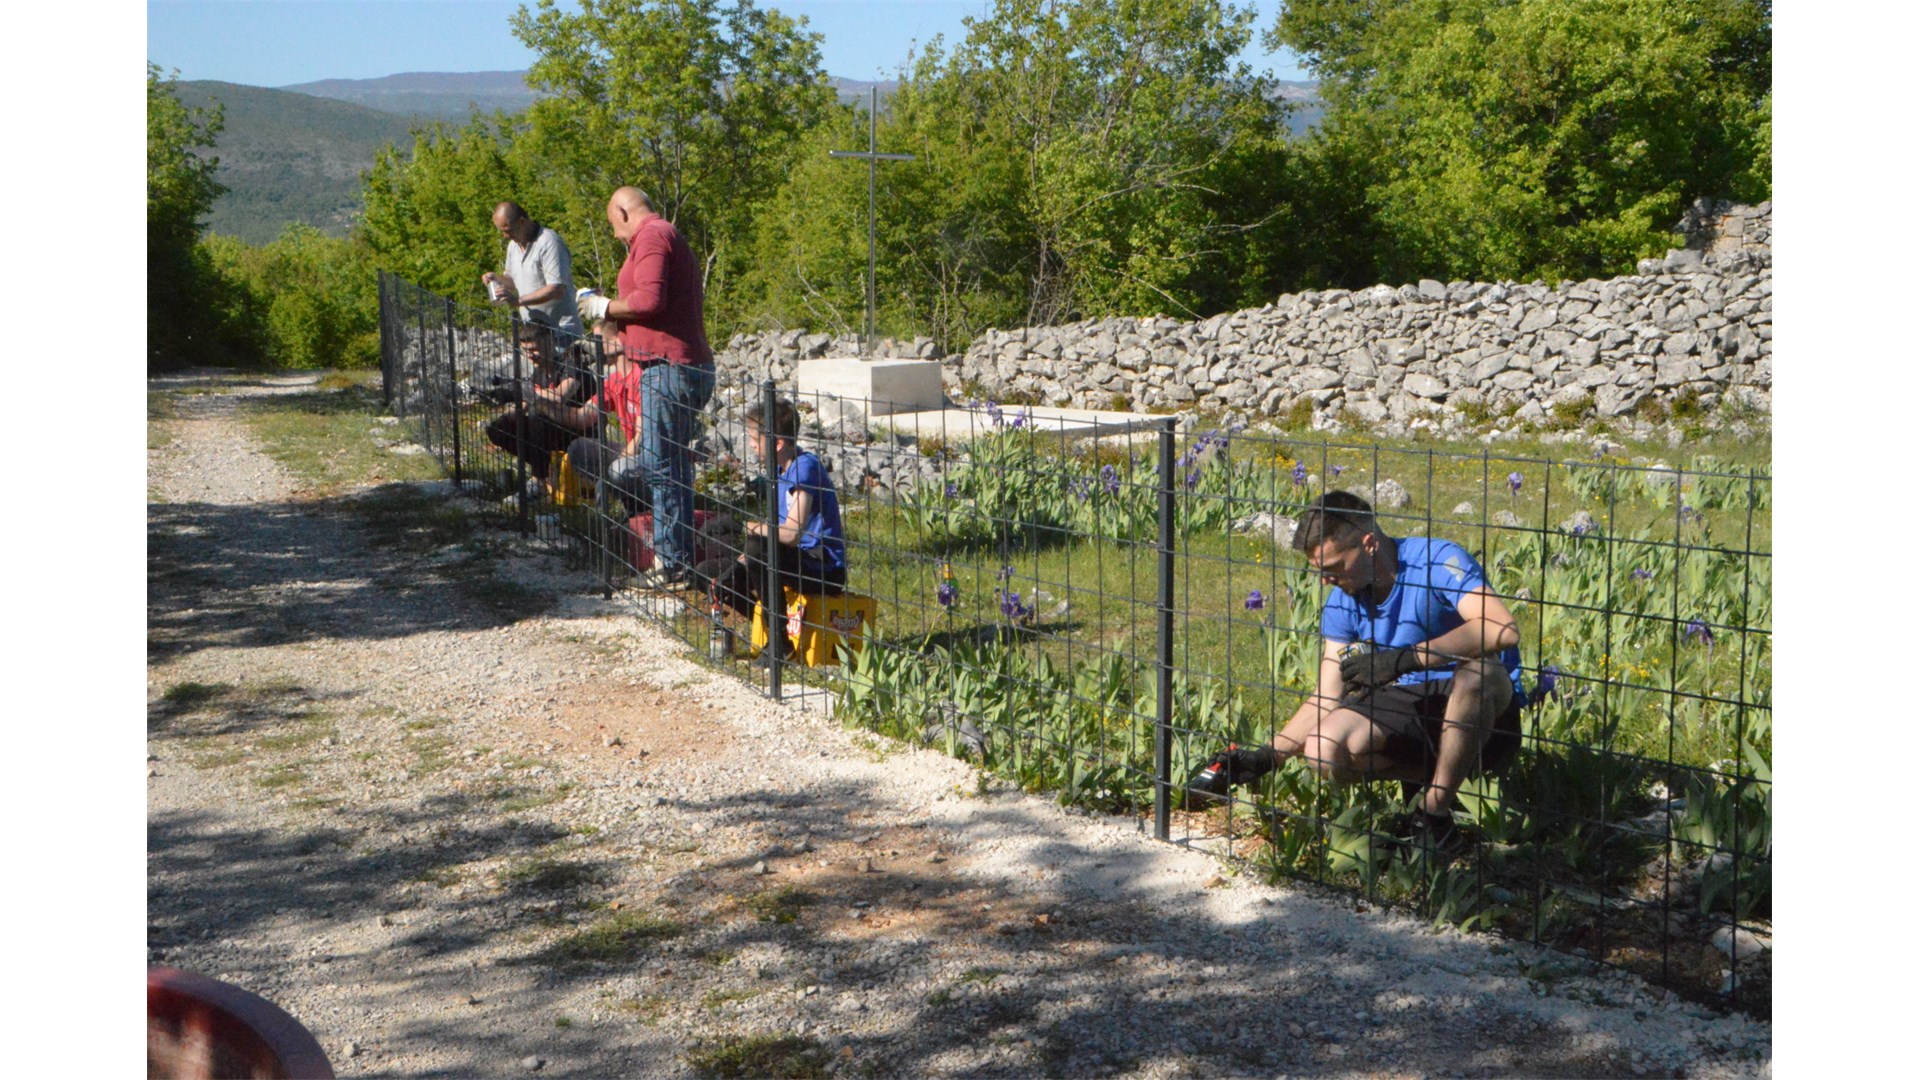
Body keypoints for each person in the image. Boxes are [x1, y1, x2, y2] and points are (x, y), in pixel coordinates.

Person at [1186, 491, 1528, 854]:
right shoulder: (1343, 601)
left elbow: (1501, 629)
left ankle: (1434, 814)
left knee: (1477, 673)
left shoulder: (1437, 560)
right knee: (1322, 749)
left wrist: (1407, 659)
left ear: (1368, 544)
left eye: (1333, 567)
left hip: (1485, 715)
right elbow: (1326, 696)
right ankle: (1436, 782)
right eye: (1320, 571)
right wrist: (1268, 757)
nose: (1325, 581)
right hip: (1412, 708)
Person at [577, 187, 715, 589]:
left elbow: (651, 300)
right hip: (676, 365)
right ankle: (678, 561)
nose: (617, 237)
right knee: (669, 465)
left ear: (622, 211)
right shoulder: (662, 234)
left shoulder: (652, 236)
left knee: (663, 468)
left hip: (668, 367)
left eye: (614, 227)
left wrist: (603, 307)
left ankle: (672, 565)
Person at [697, 397, 845, 669]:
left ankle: (780, 644)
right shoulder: (779, 471)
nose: (751, 444)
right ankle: (769, 626)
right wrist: (740, 559)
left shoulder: (805, 468)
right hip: (793, 559)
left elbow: (791, 534)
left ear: (777, 443)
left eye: (755, 438)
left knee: (756, 548)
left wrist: (743, 527)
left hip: (822, 566)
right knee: (710, 573)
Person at [482, 321, 598, 506]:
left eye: (534, 349)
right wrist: (505, 414)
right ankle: (548, 469)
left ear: (550, 342)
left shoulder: (571, 365)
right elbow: (526, 402)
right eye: (526, 350)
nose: (531, 356)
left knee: (538, 414)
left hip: (581, 431)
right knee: (500, 427)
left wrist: (520, 390)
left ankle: (539, 481)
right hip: (554, 430)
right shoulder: (540, 372)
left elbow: (559, 396)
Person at [556, 320, 649, 510]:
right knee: (578, 449)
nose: (594, 347)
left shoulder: (643, 378)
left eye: (599, 340)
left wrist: (608, 478)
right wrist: (545, 405)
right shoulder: (614, 380)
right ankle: (627, 506)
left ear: (618, 341)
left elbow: (642, 438)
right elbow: (583, 417)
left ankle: (637, 508)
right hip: (634, 454)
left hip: (651, 458)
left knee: (619, 470)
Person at [482, 201, 582, 341]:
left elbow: (556, 289)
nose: (505, 236)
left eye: (508, 230)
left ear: (522, 221)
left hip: (561, 332)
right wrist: (496, 279)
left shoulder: (549, 242)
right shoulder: (513, 246)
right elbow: (512, 281)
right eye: (502, 231)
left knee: (562, 363)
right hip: (534, 335)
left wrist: (518, 301)